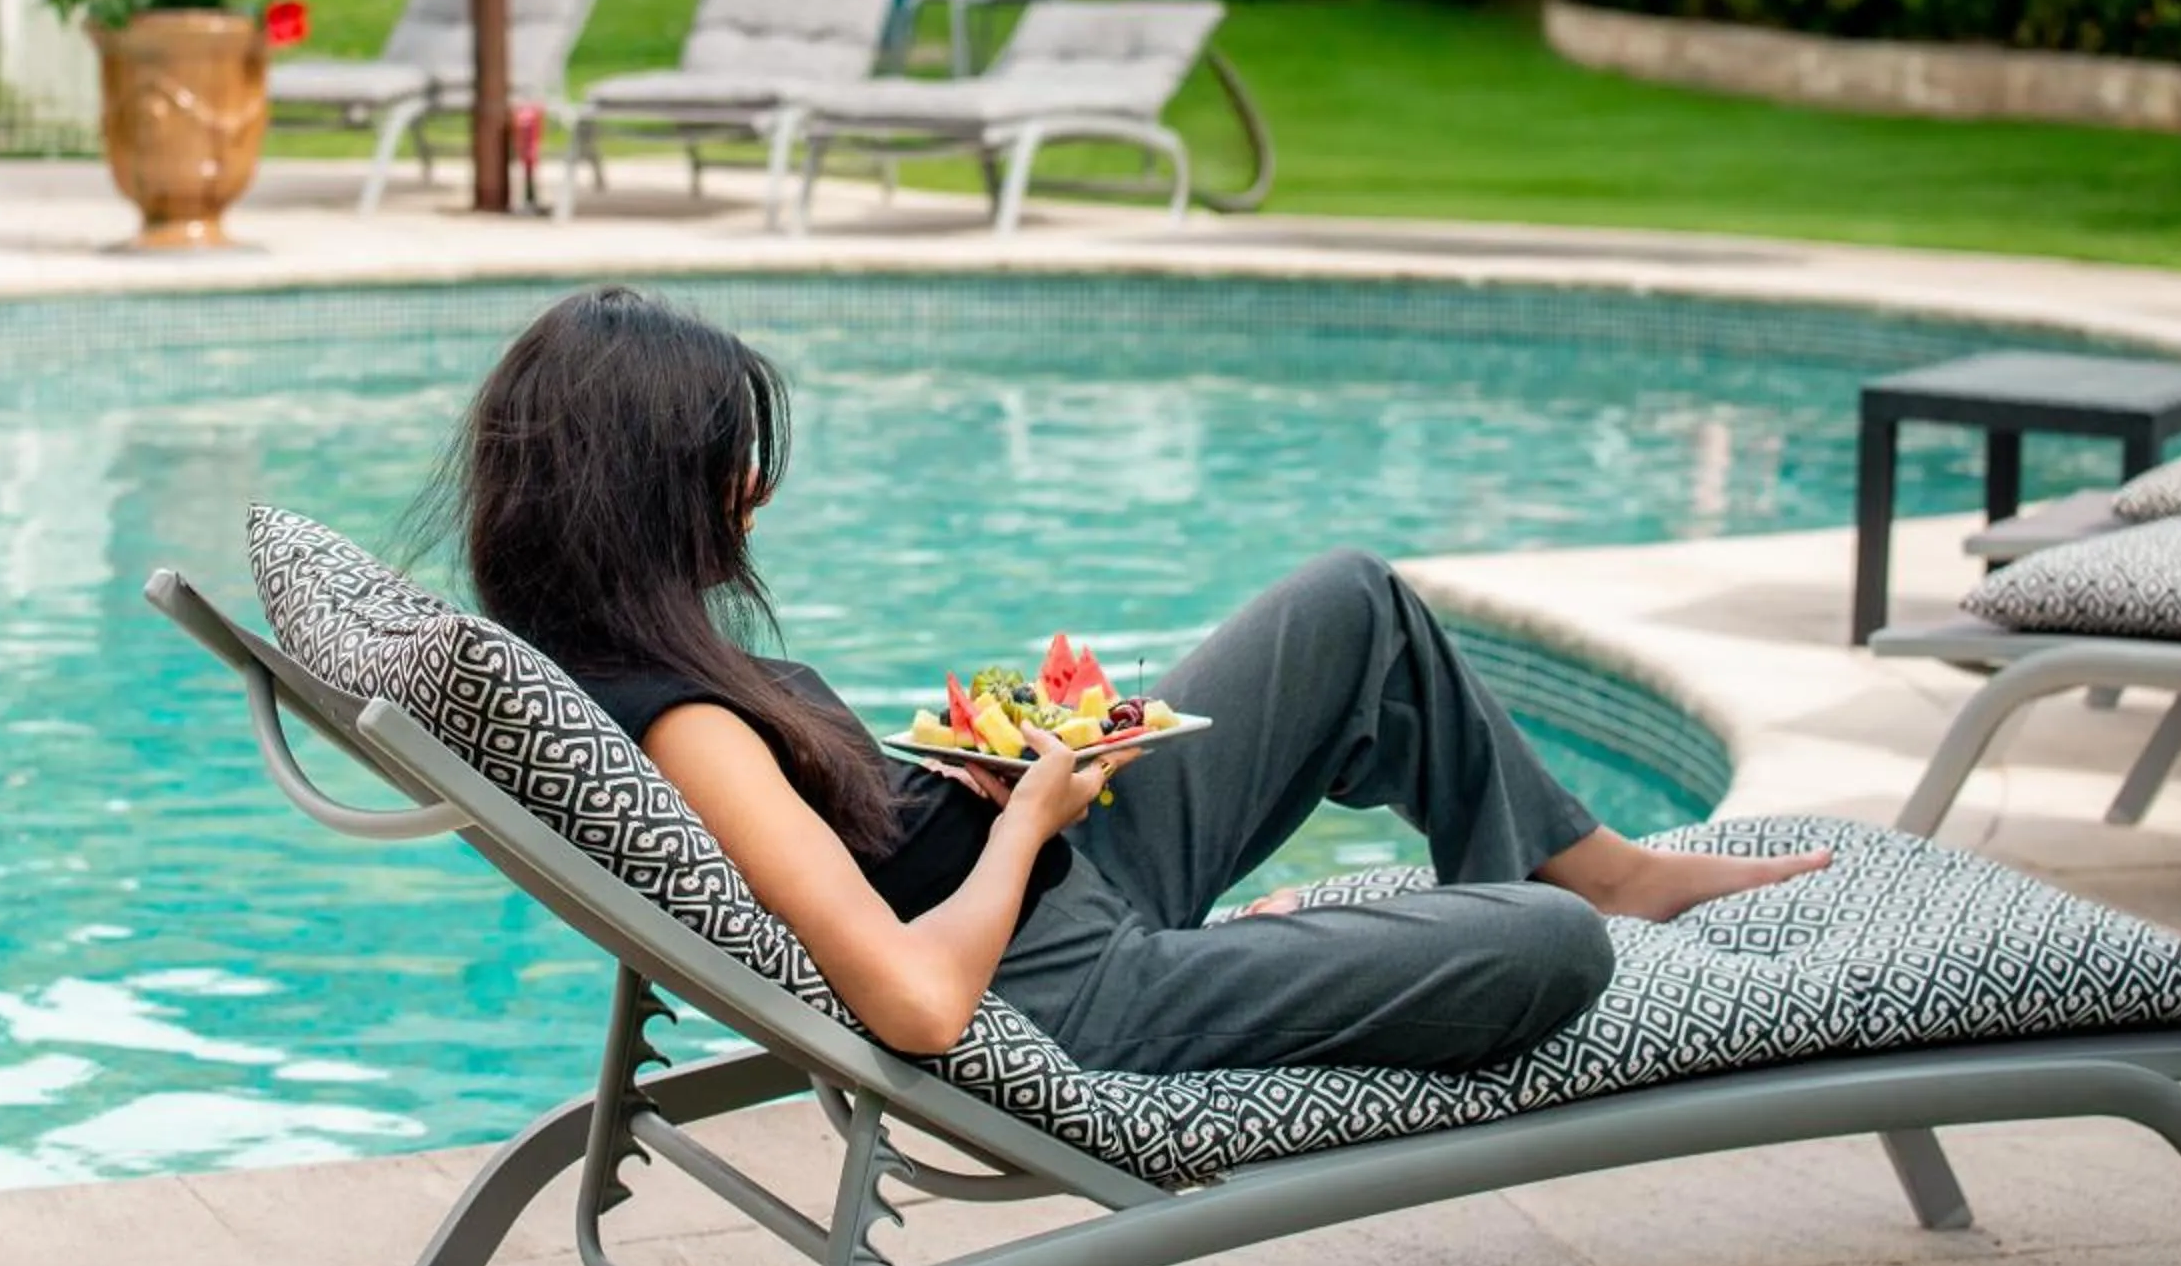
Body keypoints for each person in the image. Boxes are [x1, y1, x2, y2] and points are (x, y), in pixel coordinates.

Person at [418, 285, 1828, 1074]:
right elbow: (915, 1004)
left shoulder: (637, 661)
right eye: (730, 461)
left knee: (1355, 603)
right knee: (1543, 949)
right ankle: (1487, 912)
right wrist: (1027, 819)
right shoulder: (686, 728)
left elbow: (865, 862)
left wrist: (1010, 778)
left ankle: (1606, 865)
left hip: (1047, 893)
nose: (753, 490)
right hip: (1070, 988)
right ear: (646, 490)